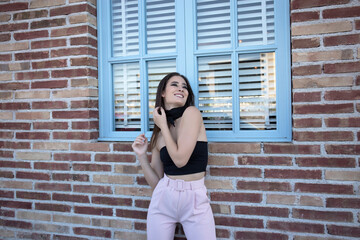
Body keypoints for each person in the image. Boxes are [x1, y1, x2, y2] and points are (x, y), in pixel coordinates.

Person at [132, 72, 216, 240]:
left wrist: (163, 125)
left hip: (194, 200)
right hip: (163, 198)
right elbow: (156, 183)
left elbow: (180, 160)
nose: (181, 89)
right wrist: (141, 156)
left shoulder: (191, 114)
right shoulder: (158, 134)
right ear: (162, 92)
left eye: (184, 87)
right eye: (175, 84)